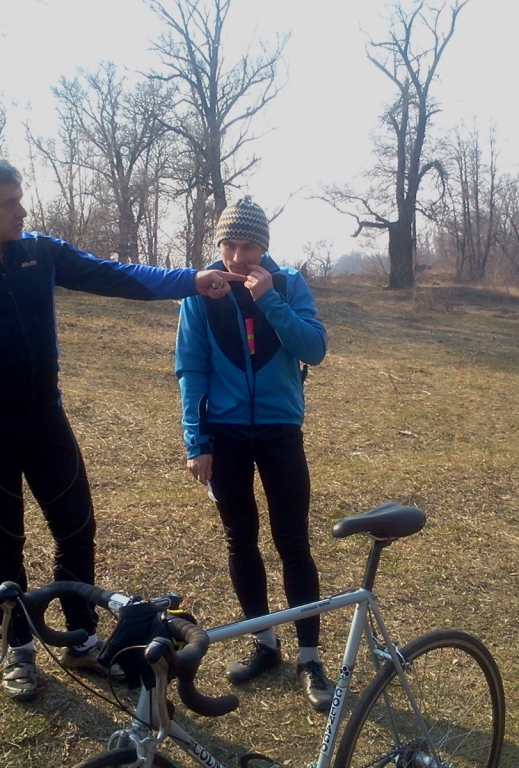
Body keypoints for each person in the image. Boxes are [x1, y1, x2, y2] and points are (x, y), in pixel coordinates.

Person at [0, 154, 241, 701]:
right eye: (9, 204)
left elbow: (115, 274)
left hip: (45, 417)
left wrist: (191, 281)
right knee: (3, 542)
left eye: (21, 200)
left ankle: (81, 639)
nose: (22, 211)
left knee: (76, 528)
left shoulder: (39, 251)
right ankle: (18, 650)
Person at [174, 196, 333, 712]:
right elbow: (190, 369)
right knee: (240, 540)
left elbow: (314, 349)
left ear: (264, 247)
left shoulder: (287, 284)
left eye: (248, 246)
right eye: (229, 245)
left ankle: (310, 657)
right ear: (218, 245)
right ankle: (265, 643)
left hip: (280, 431)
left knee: (293, 542)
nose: (238, 257)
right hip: (225, 435)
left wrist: (269, 300)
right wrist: (197, 442)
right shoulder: (200, 291)